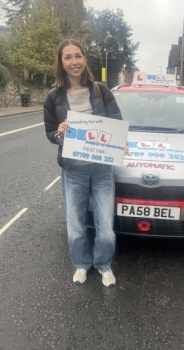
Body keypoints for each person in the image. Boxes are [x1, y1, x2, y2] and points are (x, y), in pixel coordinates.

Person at [44, 38, 128, 287]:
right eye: (68, 57)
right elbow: (50, 133)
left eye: (77, 56)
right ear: (61, 63)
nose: (74, 62)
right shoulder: (53, 97)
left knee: (105, 227)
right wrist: (59, 133)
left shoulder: (100, 90)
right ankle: (81, 264)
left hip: (102, 170)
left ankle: (103, 264)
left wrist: (121, 141)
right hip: (73, 171)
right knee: (76, 226)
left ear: (84, 59)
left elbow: (116, 122)